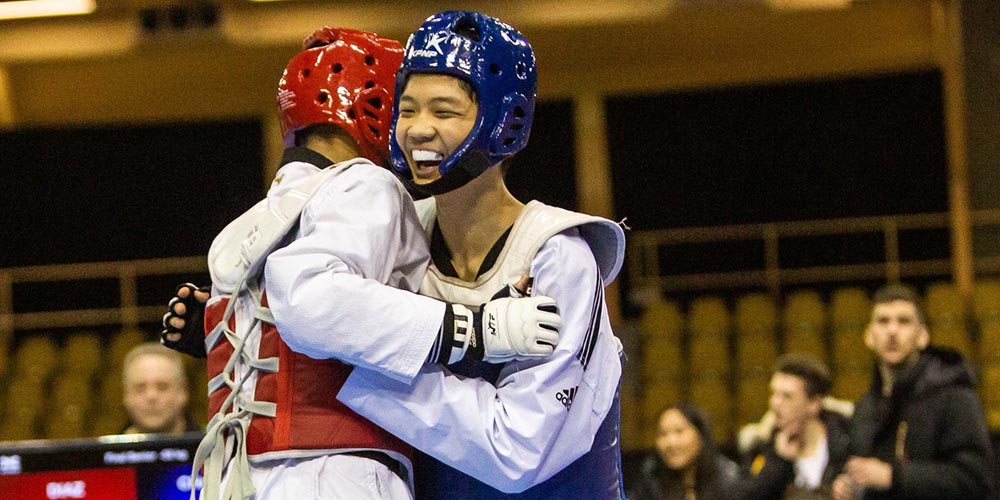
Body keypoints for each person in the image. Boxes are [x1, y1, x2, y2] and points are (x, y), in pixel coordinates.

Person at [161, 26, 561, 500]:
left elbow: (281, 342)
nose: (412, 129)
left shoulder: (248, 225)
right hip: (334, 473)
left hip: (233, 479)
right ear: (374, 109)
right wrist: (475, 328)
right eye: (405, 108)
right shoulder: (364, 185)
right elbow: (311, 299)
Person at [335, 10, 628, 499]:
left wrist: (360, 371)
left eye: (444, 111)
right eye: (407, 109)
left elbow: (517, 451)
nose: (418, 130)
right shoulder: (394, 236)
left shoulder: (556, 255)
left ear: (501, 121)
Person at [831, 283, 995, 500]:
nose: (892, 330)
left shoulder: (954, 395)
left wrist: (893, 476)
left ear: (923, 336)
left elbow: (975, 479)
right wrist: (846, 486)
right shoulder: (866, 407)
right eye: (883, 321)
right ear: (869, 336)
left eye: (904, 321)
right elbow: (860, 471)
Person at [734, 354, 851, 500]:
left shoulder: (847, 442)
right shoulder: (762, 448)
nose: (775, 403)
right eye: (774, 394)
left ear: (814, 403)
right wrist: (779, 462)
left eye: (787, 396)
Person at [630, 403, 741, 500]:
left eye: (679, 431)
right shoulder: (651, 481)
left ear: (700, 435)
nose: (671, 442)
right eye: (663, 434)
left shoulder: (729, 479)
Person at [121, 342, 200, 435]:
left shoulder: (215, 448)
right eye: (140, 388)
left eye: (162, 387)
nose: (151, 396)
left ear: (183, 391)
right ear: (126, 396)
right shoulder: (107, 448)